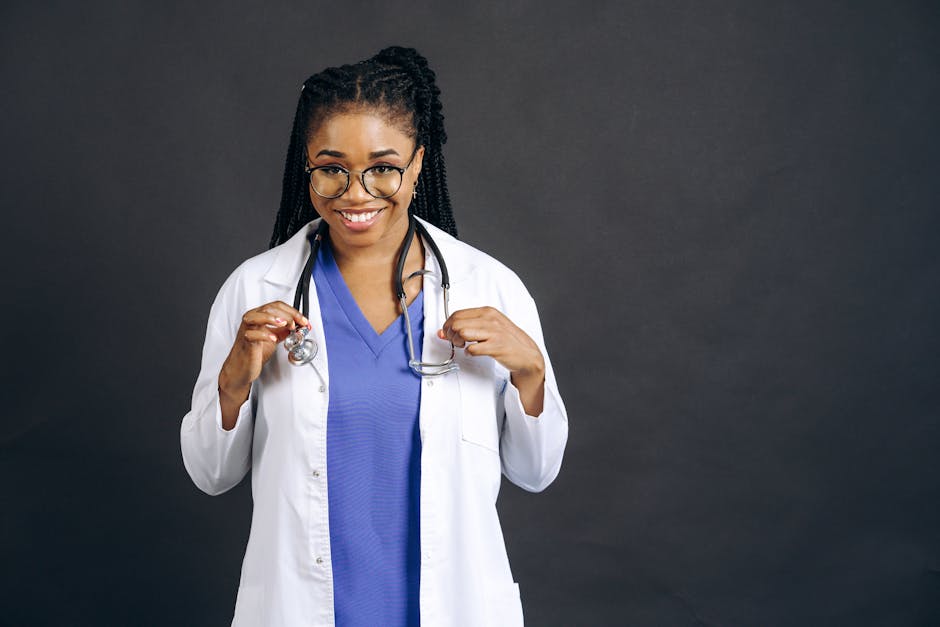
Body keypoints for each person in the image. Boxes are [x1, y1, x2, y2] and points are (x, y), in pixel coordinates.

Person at [180, 46, 568, 627]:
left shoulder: (487, 286)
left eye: (382, 167)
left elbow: (536, 472)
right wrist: (233, 382)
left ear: (417, 165)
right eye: (331, 168)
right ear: (306, 167)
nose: (355, 192)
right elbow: (211, 474)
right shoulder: (255, 290)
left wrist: (531, 374)